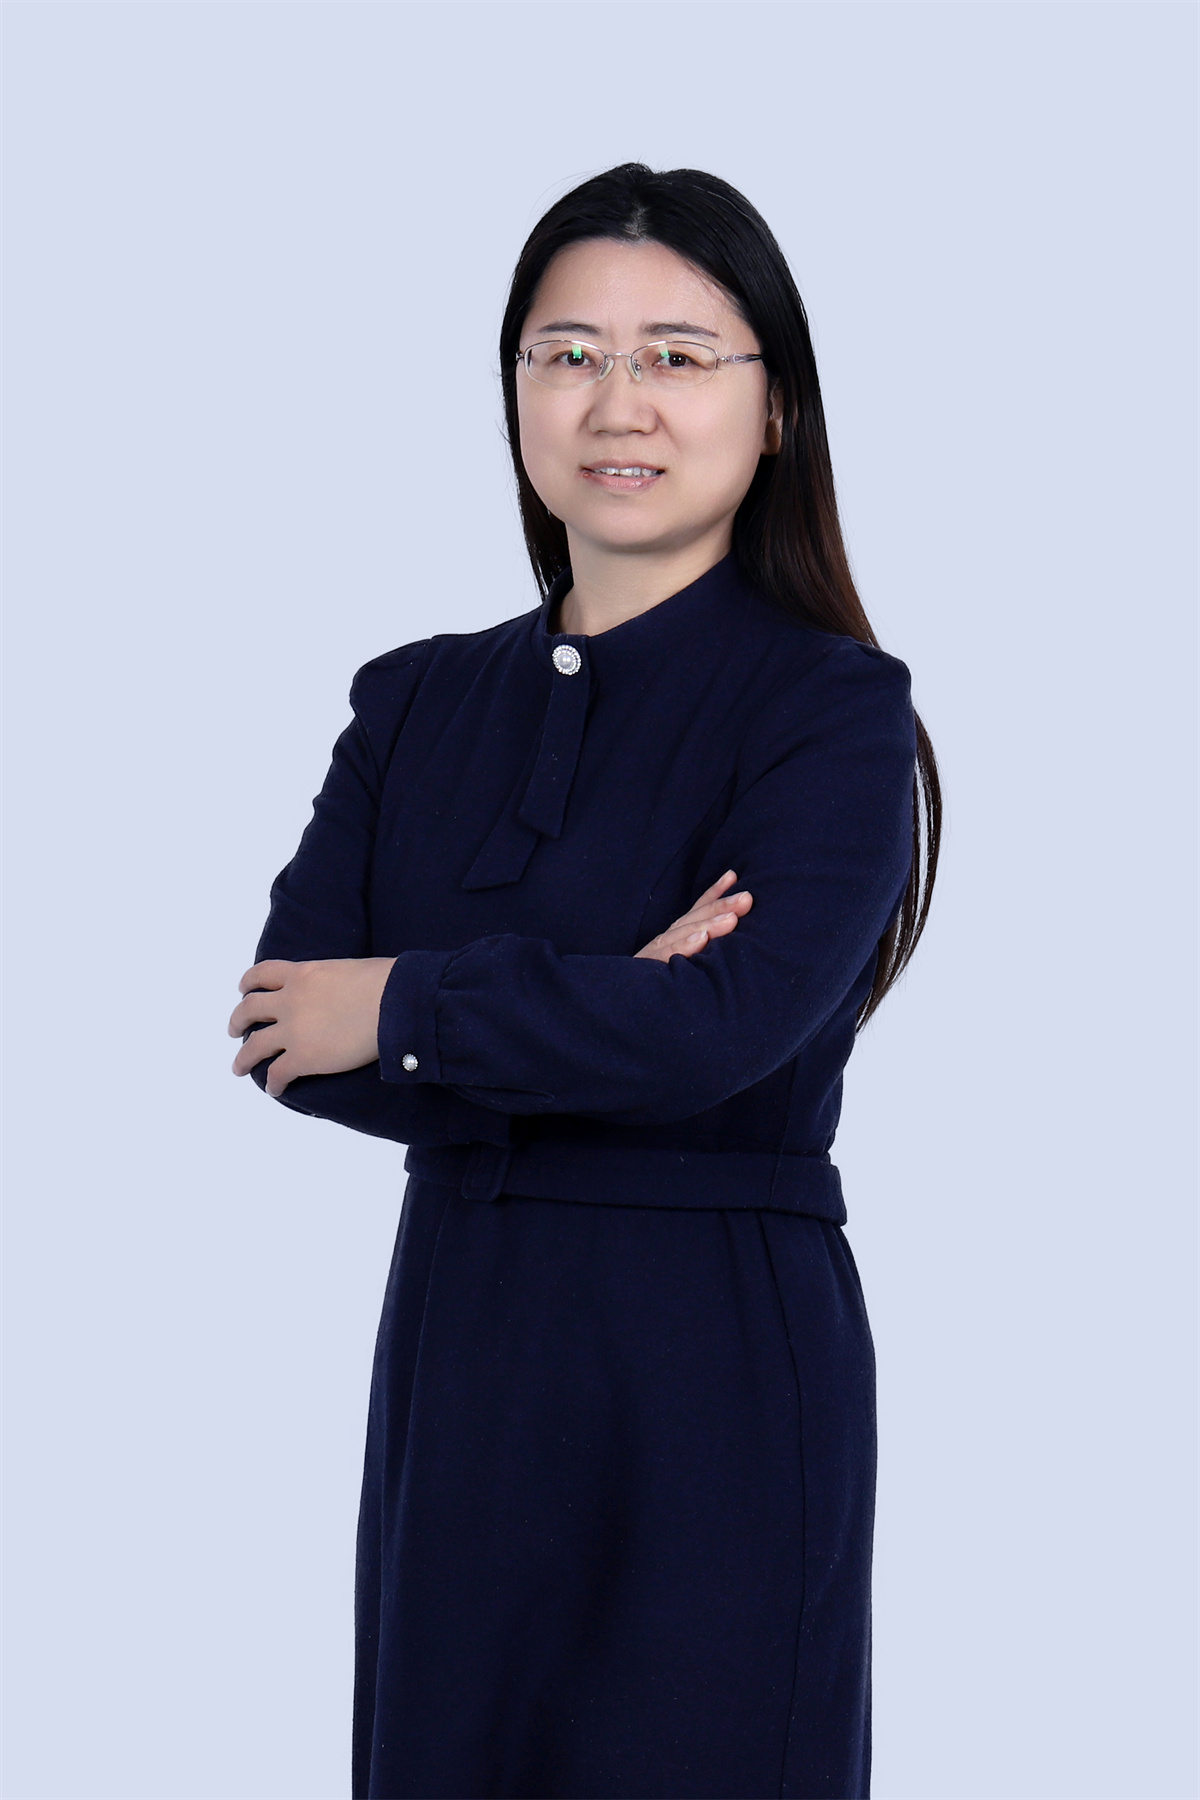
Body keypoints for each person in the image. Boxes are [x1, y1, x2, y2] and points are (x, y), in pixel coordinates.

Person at [228, 161, 940, 1800]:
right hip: (466, 1344)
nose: (618, 402)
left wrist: (406, 1004)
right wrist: (602, 994)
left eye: (678, 356)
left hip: (713, 1363)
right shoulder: (413, 701)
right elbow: (283, 1027)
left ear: (776, 406)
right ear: (516, 390)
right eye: (567, 354)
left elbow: (722, 1031)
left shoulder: (831, 711)